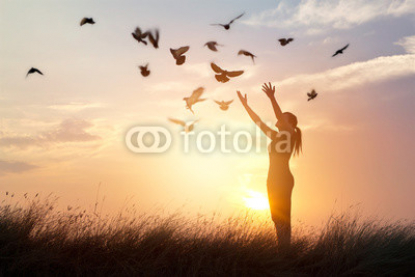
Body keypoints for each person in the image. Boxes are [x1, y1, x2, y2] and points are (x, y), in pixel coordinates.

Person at [237, 83, 302, 247]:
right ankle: (282, 250)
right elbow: (258, 122)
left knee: (283, 218)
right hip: (272, 179)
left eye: (282, 118)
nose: (277, 121)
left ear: (290, 124)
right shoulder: (277, 136)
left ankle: (285, 252)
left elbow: (280, 117)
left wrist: (272, 98)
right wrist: (246, 105)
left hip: (282, 179)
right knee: (276, 218)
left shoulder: (290, 134)